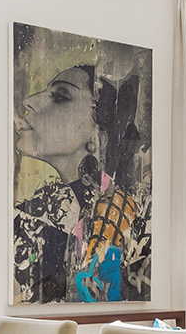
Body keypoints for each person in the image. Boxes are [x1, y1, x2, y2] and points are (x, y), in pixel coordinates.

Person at [12, 63, 151, 302]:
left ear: (96, 139)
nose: (29, 101)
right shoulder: (36, 212)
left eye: (60, 97)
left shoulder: (133, 212)